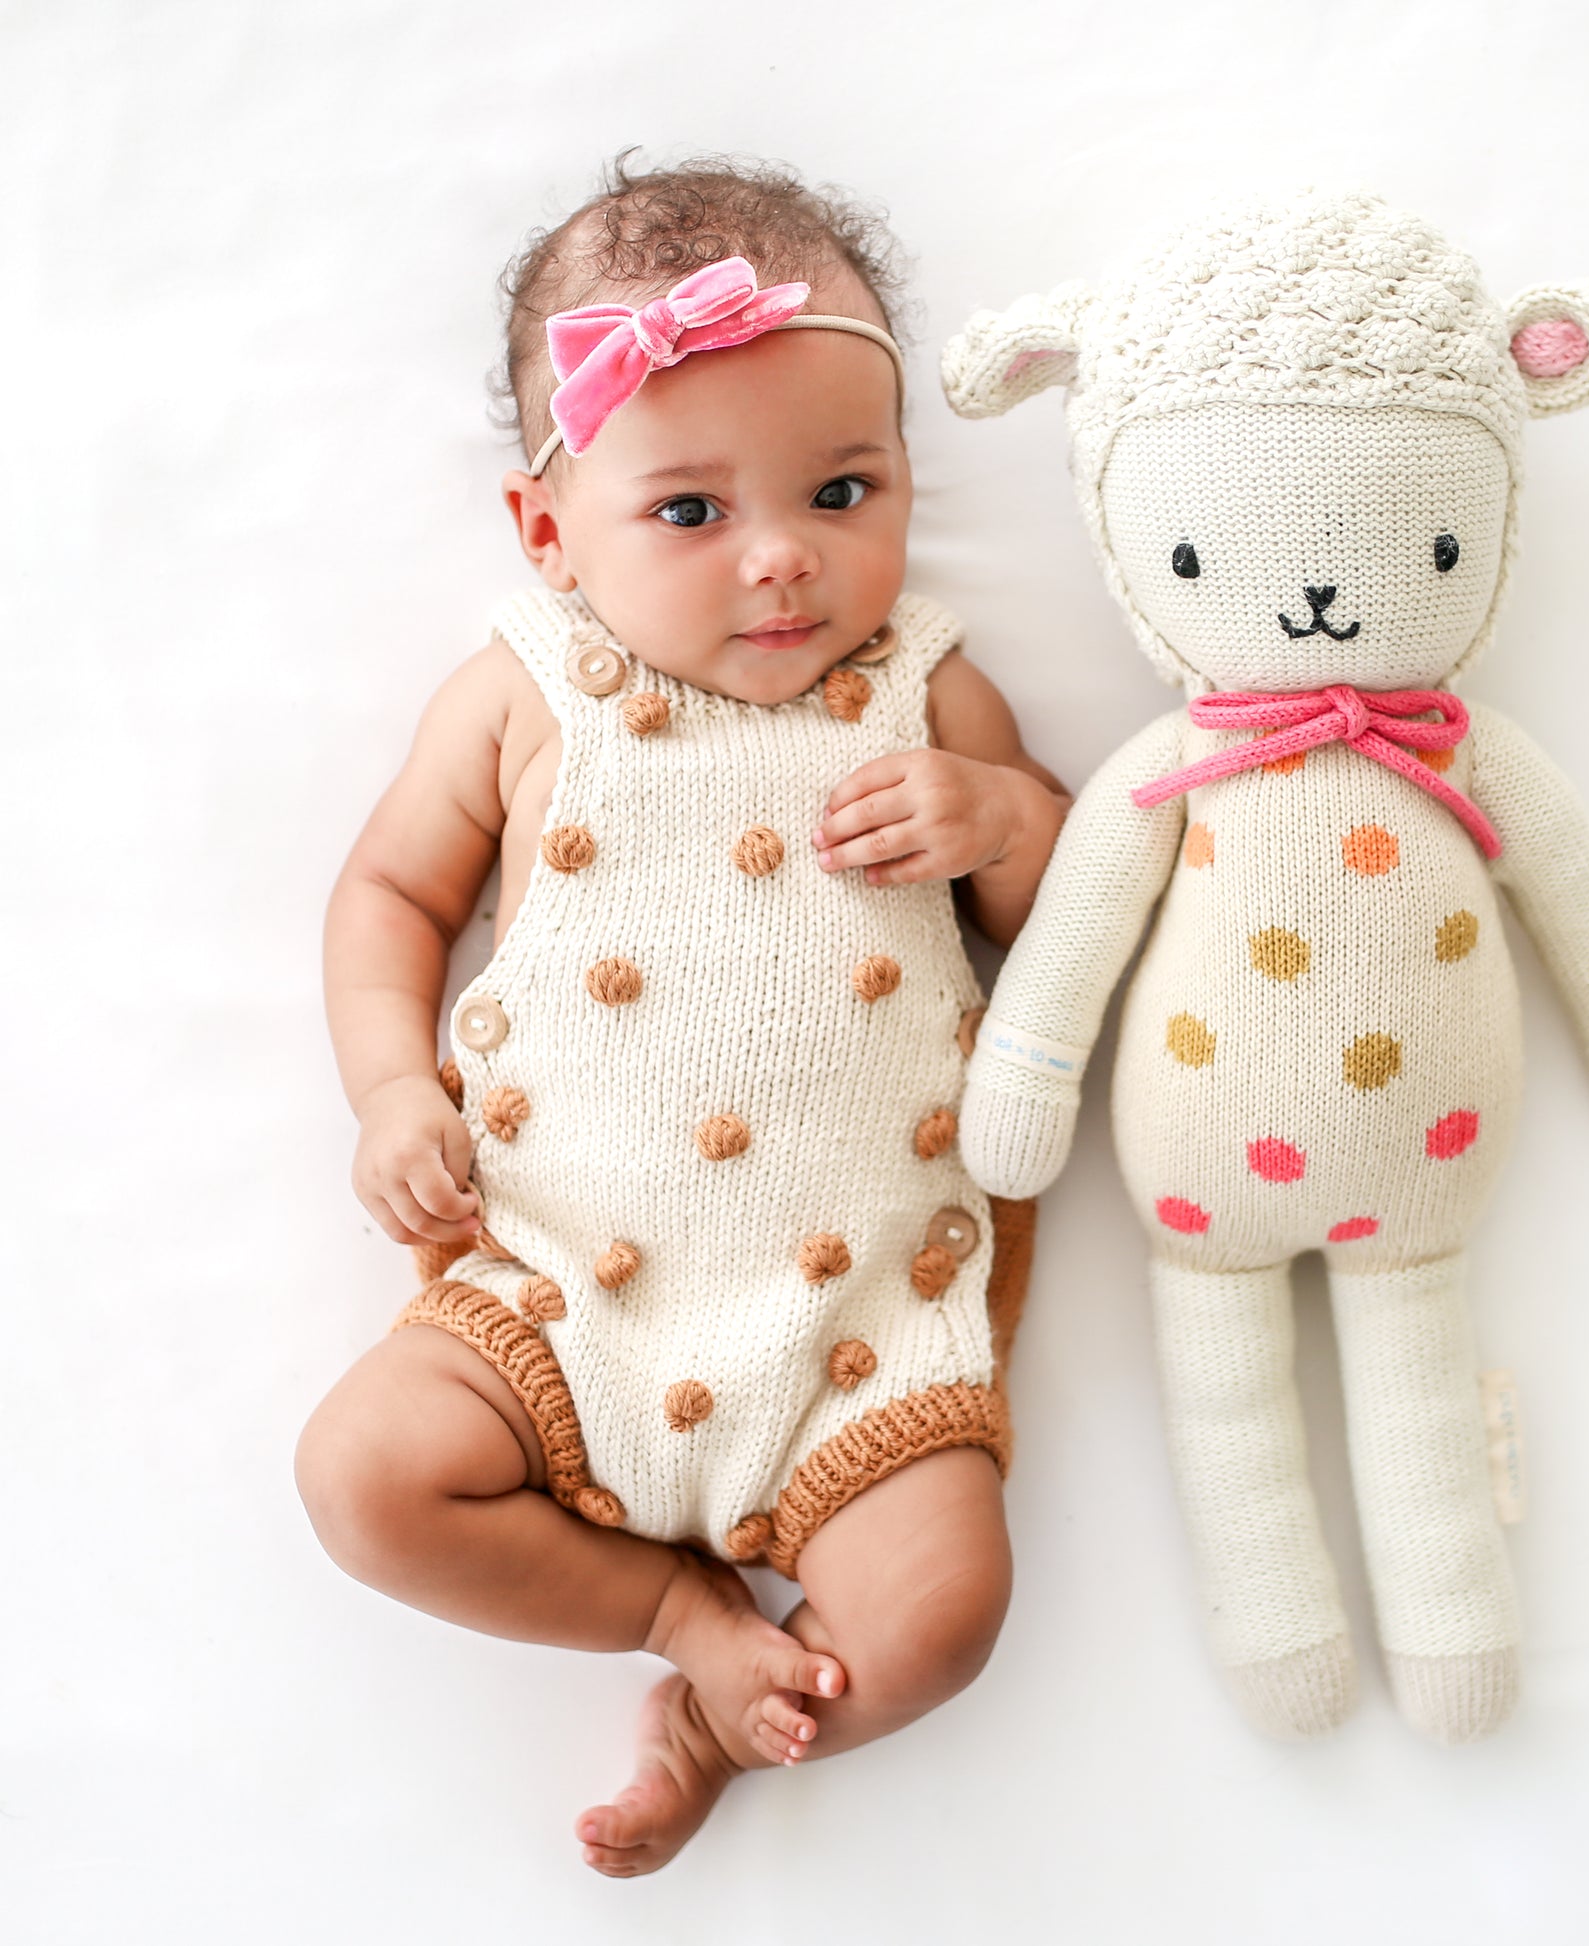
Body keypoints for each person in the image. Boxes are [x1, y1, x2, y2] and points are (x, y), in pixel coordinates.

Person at [296, 156, 1068, 1877]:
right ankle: (674, 1617)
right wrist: (384, 1088)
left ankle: (736, 1721)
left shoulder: (929, 687)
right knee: (363, 1477)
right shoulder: (520, 691)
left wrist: (1003, 825)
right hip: (562, 1290)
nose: (784, 560)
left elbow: (1071, 922)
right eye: (692, 514)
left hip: (857, 1318)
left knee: (941, 1617)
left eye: (841, 489)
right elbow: (389, 899)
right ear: (549, 531)